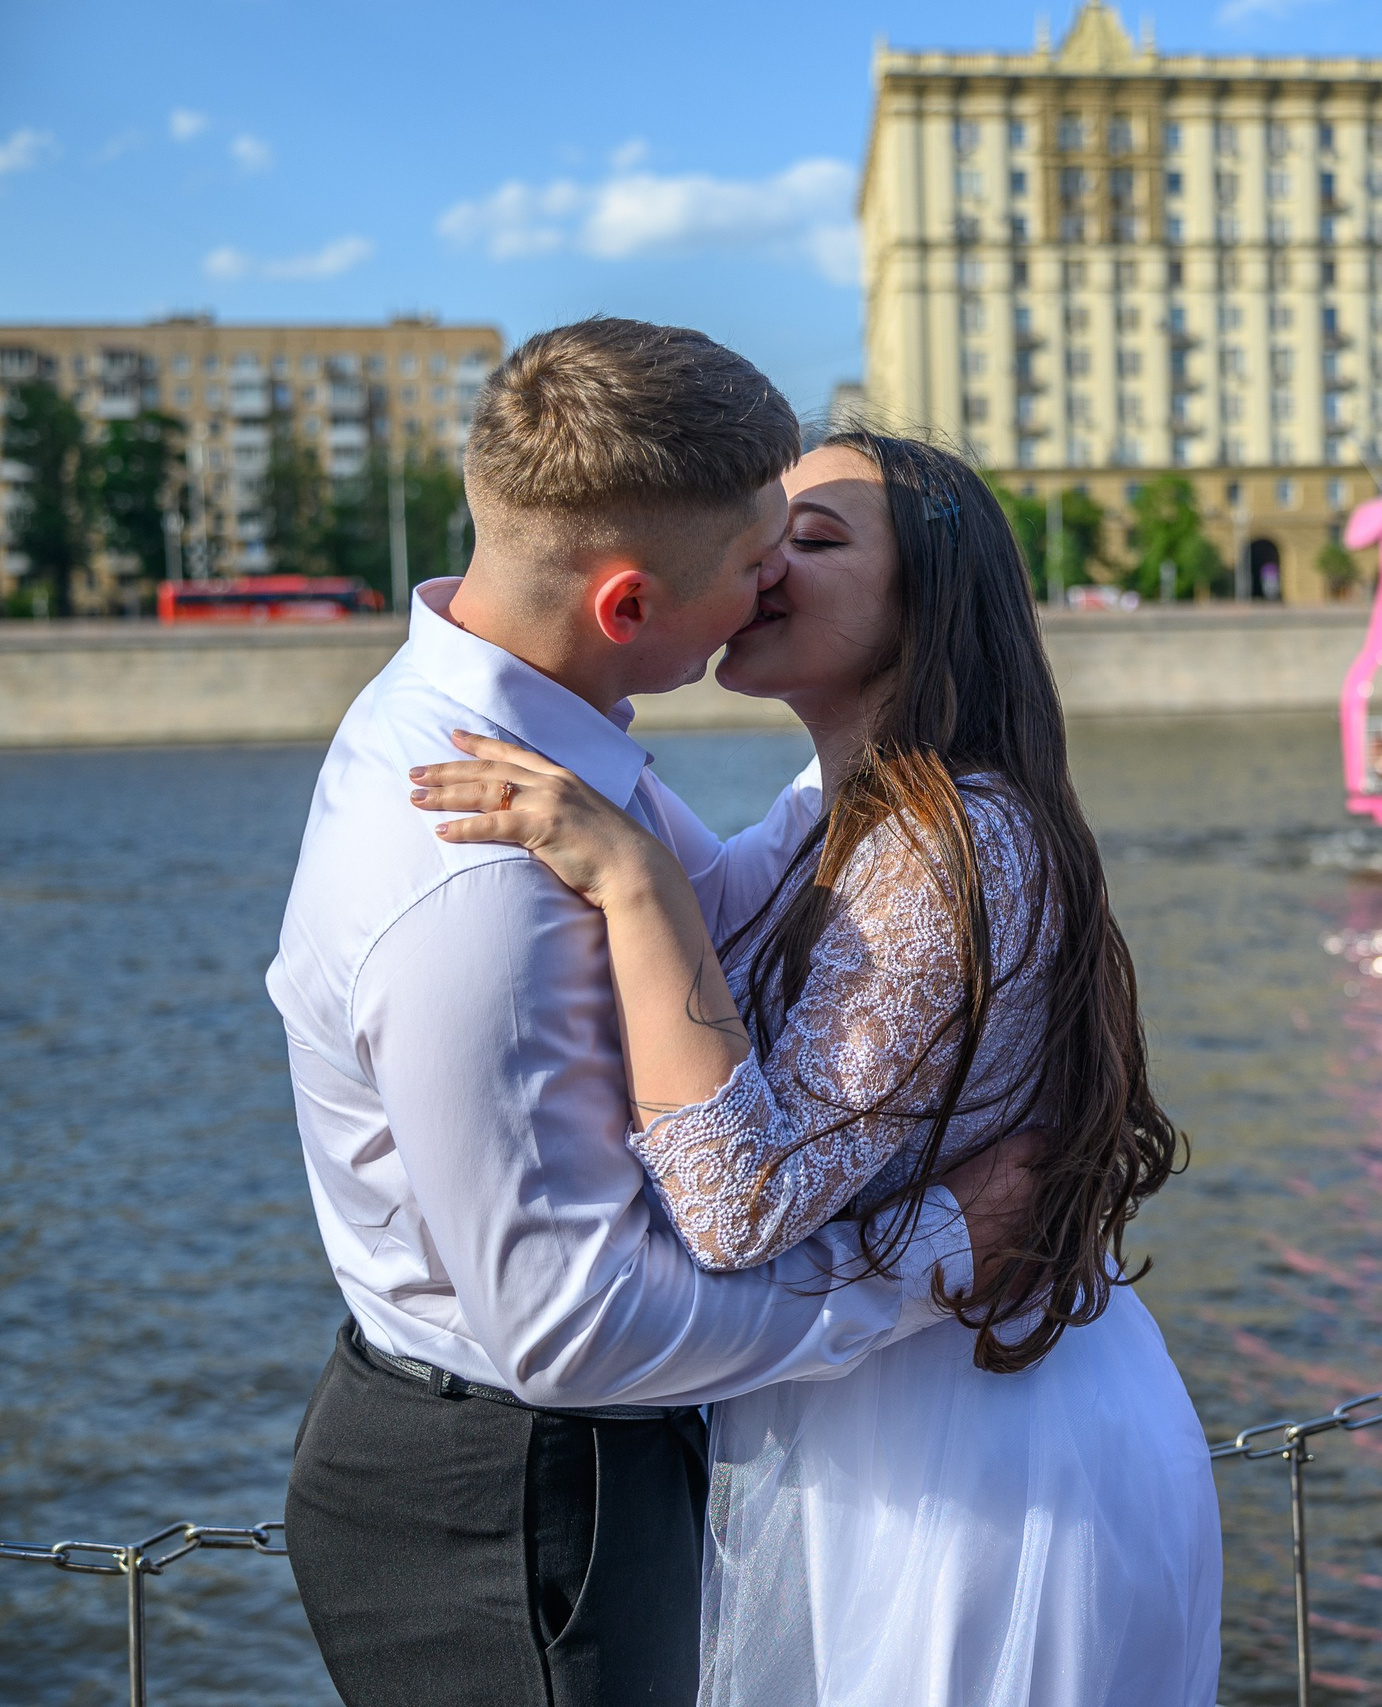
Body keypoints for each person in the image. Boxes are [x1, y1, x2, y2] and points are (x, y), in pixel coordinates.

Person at [270, 320, 1038, 1707]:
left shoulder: (537, 728)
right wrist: (939, 1252)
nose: (768, 591)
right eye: (755, 567)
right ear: (630, 606)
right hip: (514, 1502)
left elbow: (730, 904)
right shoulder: (474, 880)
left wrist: (877, 727)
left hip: (568, 1457)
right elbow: (576, 1328)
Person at [408, 425, 1222, 1706]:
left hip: (988, 1468)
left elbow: (738, 1208)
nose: (761, 561)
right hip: (903, 1421)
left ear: (927, 601)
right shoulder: (847, 806)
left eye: (818, 538)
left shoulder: (949, 846)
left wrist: (628, 879)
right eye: (756, 533)